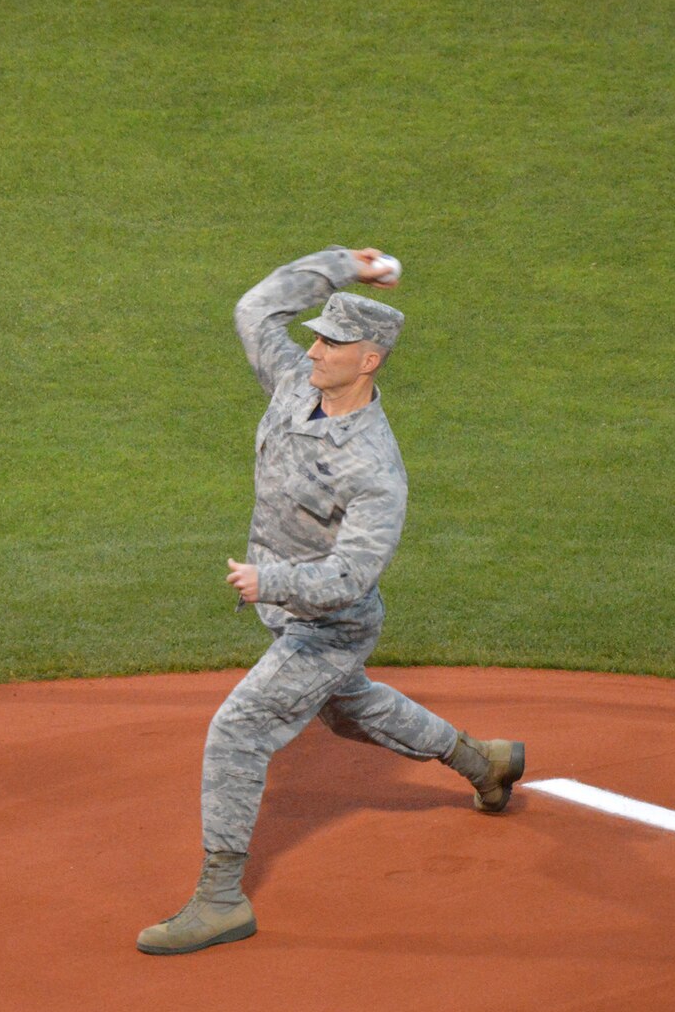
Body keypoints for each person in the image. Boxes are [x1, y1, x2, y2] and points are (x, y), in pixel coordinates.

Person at [137, 247, 526, 955]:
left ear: (369, 358)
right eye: (315, 336)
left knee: (239, 730)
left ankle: (221, 899)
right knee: (353, 711)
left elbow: (351, 577)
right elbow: (256, 308)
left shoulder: (375, 469)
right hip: (287, 612)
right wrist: (344, 263)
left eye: (331, 342)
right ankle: (486, 763)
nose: (312, 348)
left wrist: (271, 581)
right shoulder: (294, 384)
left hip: (332, 625)